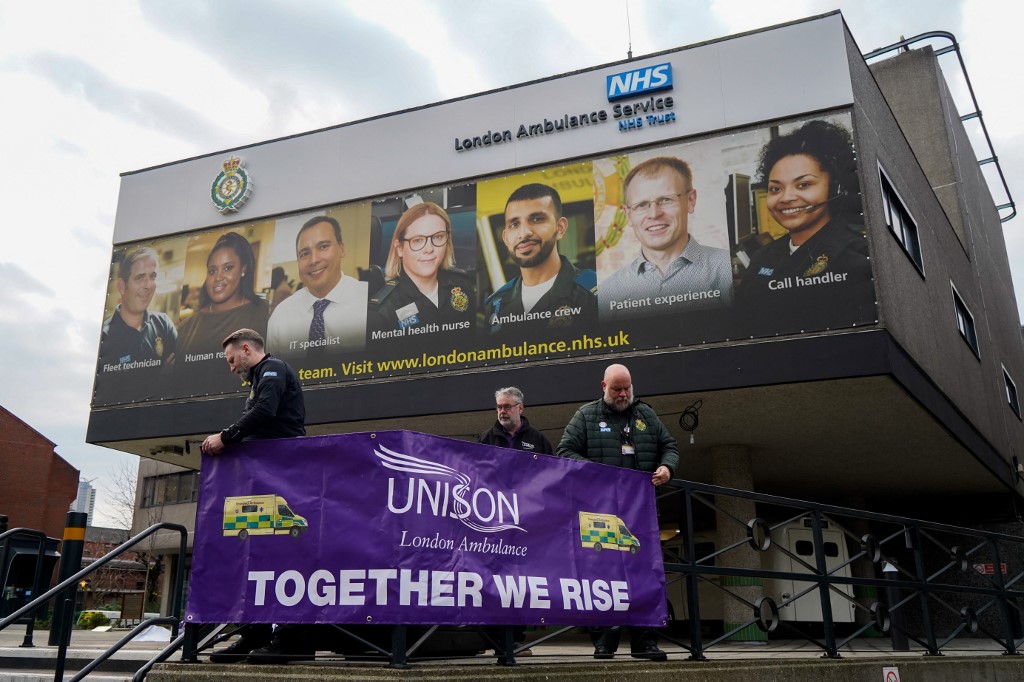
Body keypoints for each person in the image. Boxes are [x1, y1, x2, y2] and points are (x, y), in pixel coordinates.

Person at [557, 363, 678, 661]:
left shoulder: (646, 415)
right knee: (601, 577)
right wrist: (598, 474)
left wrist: (667, 467)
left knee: (644, 575)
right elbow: (564, 453)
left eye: (627, 388)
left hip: (641, 514)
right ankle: (604, 642)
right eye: (616, 389)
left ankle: (645, 641)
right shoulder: (585, 415)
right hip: (600, 514)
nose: (623, 394)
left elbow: (669, 446)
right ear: (603, 386)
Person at [202, 328, 308, 664]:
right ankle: (253, 635)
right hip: (267, 476)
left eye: (232, 359)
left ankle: (292, 640)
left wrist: (226, 437)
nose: (231, 367)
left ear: (246, 349)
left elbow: (265, 411)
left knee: (286, 560)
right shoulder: (260, 376)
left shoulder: (274, 370)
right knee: (255, 560)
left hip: (286, 474)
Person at [736, 120, 873, 326]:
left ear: (836, 188)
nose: (786, 197)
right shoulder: (760, 258)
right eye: (776, 188)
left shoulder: (857, 257)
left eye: (804, 185)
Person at [600, 156, 733, 321]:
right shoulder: (607, 293)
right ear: (628, 215)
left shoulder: (728, 270)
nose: (654, 214)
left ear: (691, 201)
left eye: (666, 200)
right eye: (641, 205)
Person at [484, 183, 596, 334]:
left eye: (536, 219)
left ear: (560, 228)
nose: (524, 233)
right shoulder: (494, 305)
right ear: (505, 238)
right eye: (514, 224)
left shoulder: (595, 292)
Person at [176, 232, 269, 395]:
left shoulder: (264, 312)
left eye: (228, 268)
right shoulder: (186, 327)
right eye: (212, 271)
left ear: (244, 269)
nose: (218, 277)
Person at [368, 201, 474, 336]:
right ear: (399, 248)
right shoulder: (381, 312)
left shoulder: (463, 284)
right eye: (418, 240)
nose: (429, 249)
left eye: (438, 237)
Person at [267, 215, 368, 356]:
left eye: (323, 247)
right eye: (304, 253)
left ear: (342, 249)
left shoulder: (368, 300)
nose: (313, 260)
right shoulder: (281, 316)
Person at [99, 247, 177, 369]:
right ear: (122, 286)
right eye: (140, 278)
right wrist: (161, 375)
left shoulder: (163, 324)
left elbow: (180, 370)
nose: (148, 285)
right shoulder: (104, 336)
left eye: (153, 276)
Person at [479, 387, 553, 454]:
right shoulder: (486, 438)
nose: (502, 411)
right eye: (499, 407)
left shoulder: (538, 439)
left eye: (507, 407)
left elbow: (549, 467)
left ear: (520, 408)